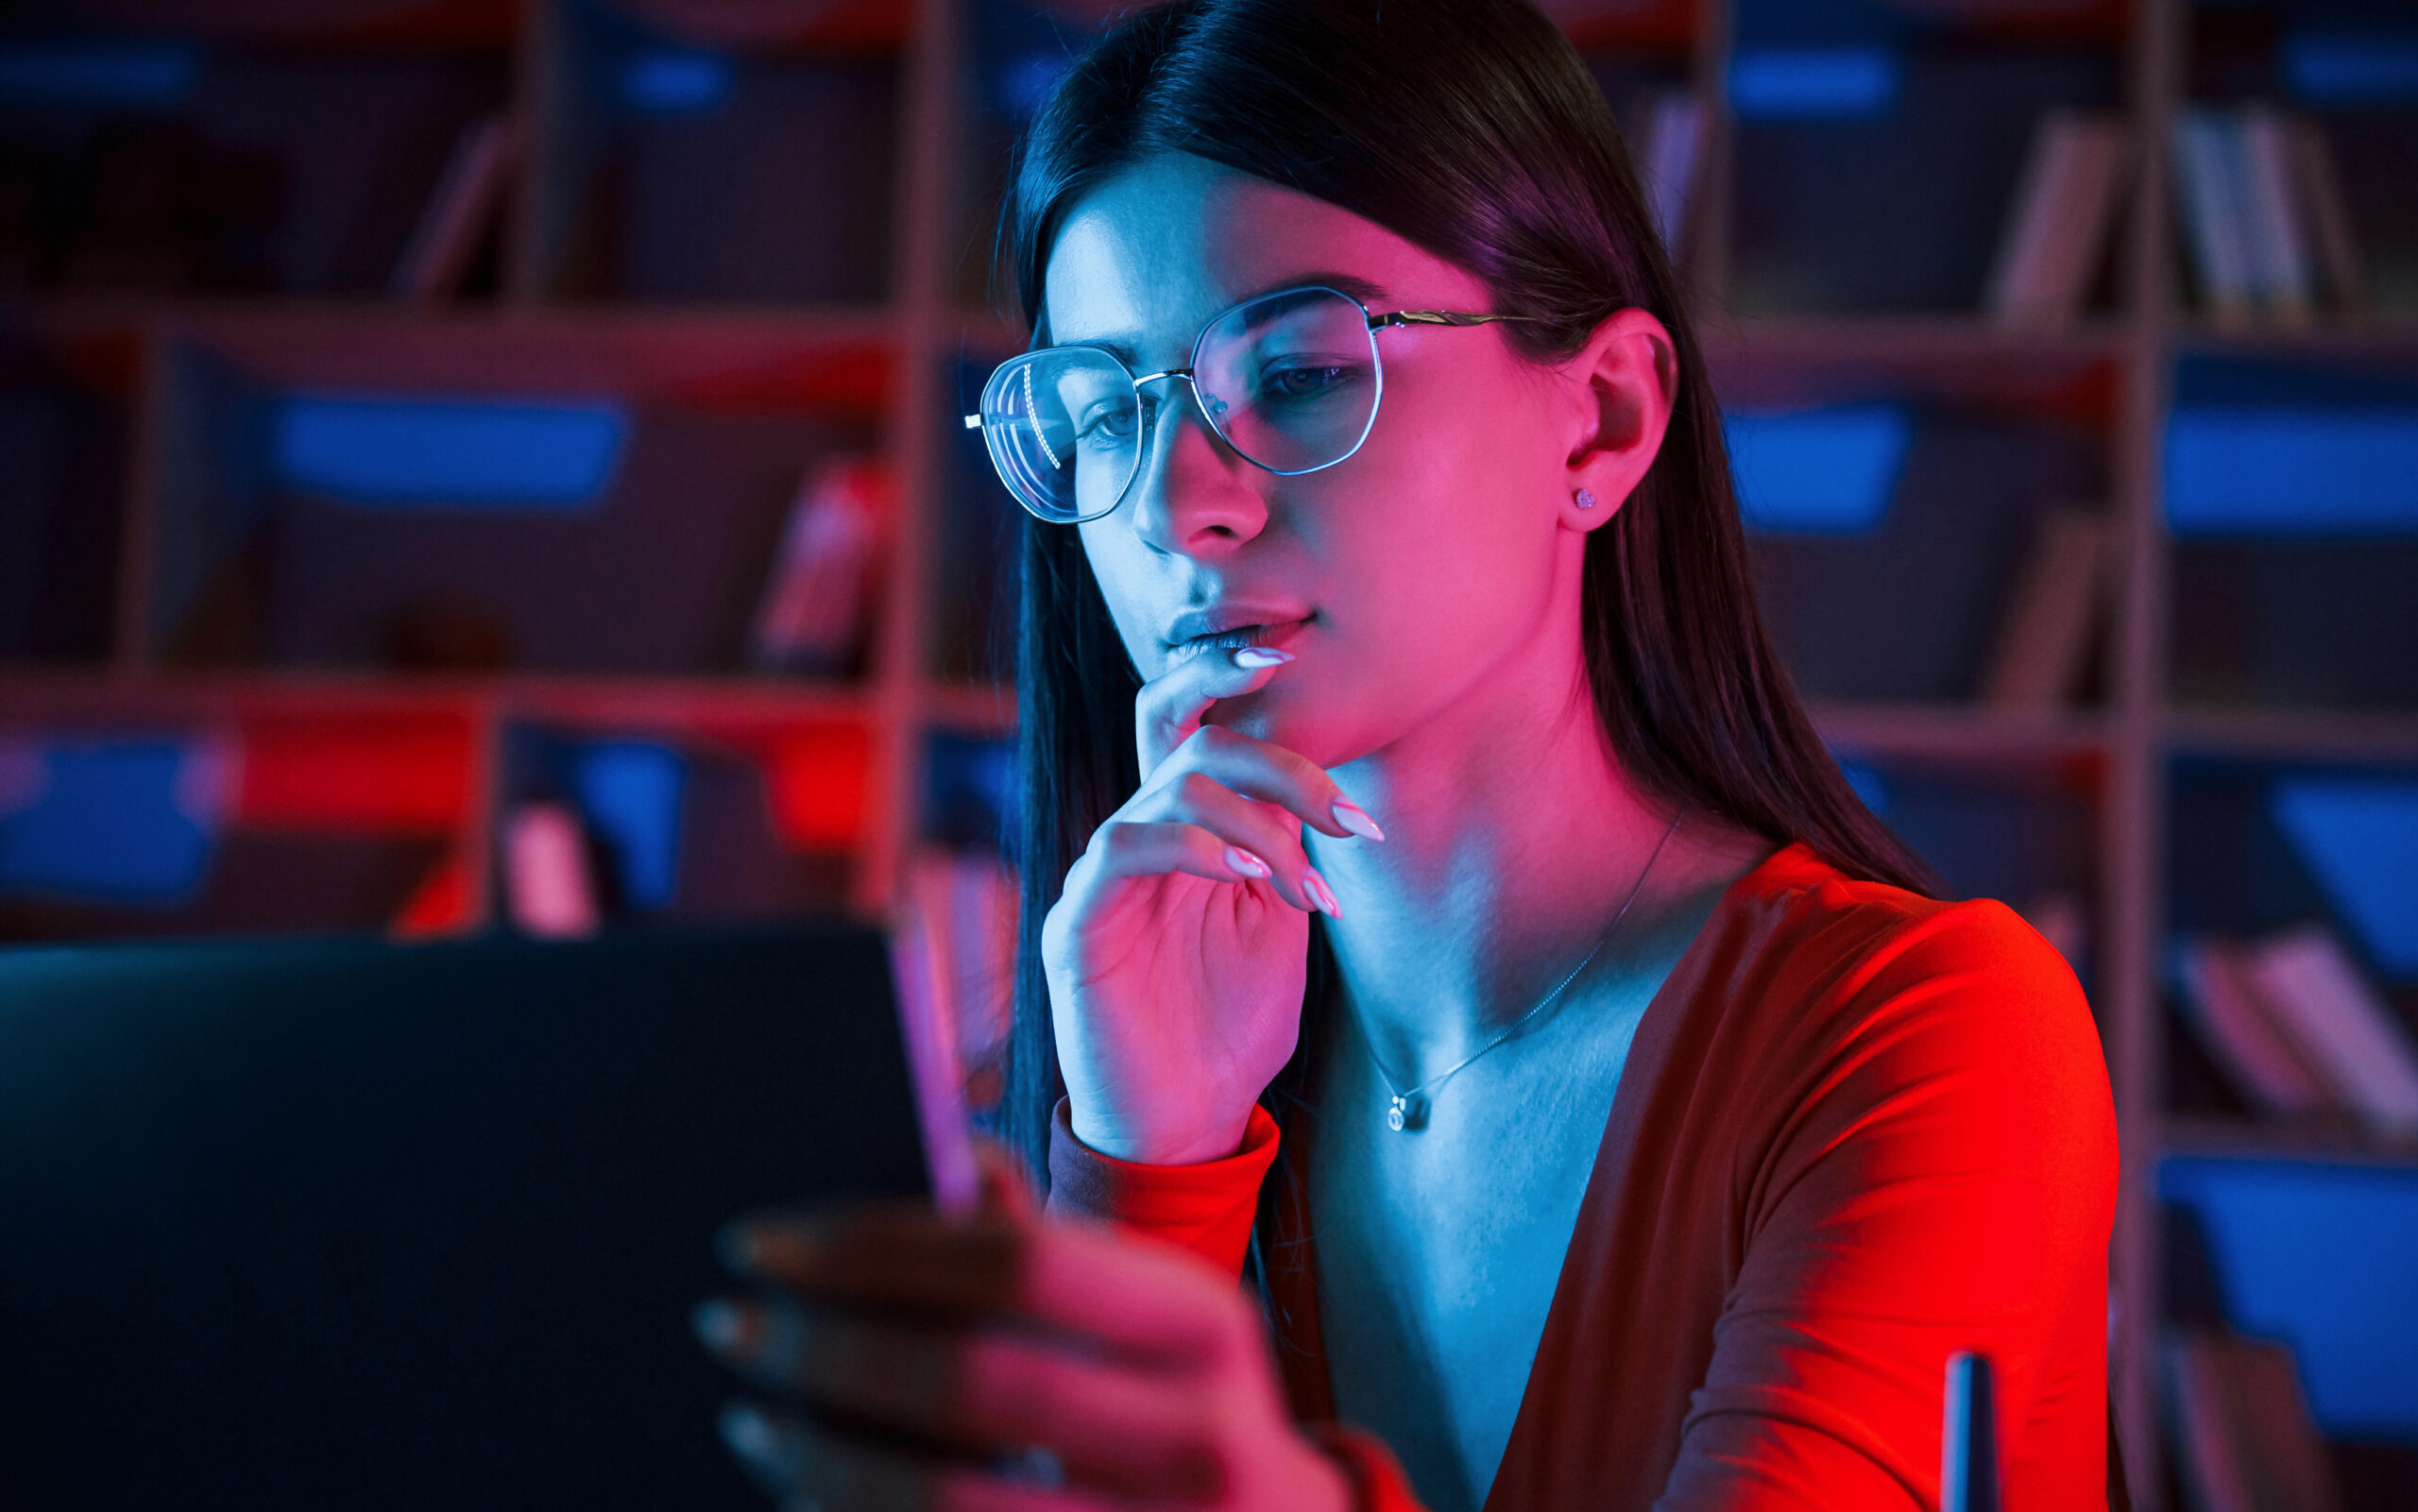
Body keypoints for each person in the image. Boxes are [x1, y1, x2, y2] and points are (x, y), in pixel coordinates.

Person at [690, 2, 2119, 1507]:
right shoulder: (1142, 1065)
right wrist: (1148, 1166)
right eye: (1107, 413)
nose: (1179, 508)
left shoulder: (1923, 1038)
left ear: (1602, 421)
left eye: (1299, 372)